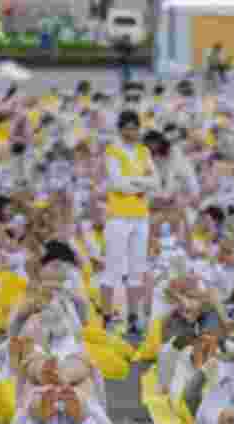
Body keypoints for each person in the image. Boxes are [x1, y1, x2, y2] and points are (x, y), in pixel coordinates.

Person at [102, 110, 159, 335]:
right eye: (127, 127)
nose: (131, 132)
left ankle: (134, 317)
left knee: (137, 268)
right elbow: (117, 184)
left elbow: (157, 181)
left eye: (135, 127)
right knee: (113, 268)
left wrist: (135, 183)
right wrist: (142, 183)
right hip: (118, 216)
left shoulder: (144, 152)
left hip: (140, 216)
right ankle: (107, 316)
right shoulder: (113, 151)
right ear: (120, 129)